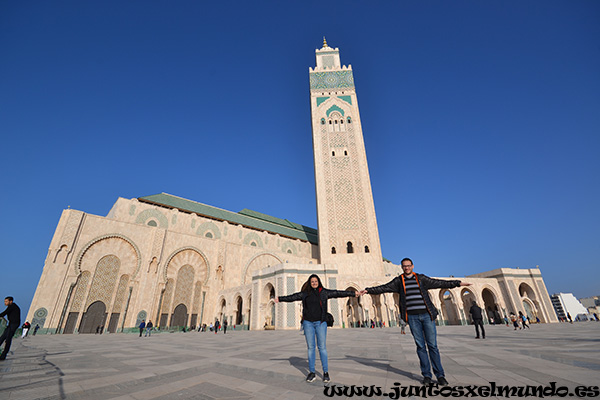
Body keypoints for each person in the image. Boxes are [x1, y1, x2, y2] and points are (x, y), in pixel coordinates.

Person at [360, 258, 471, 386]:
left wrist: (458, 283)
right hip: (412, 318)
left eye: (408, 266)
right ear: (402, 267)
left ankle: (440, 375)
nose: (406, 268)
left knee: (433, 346)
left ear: (412, 266)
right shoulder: (399, 281)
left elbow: (438, 283)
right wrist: (368, 290)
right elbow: (384, 288)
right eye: (404, 266)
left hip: (426, 315)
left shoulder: (421, 278)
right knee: (421, 347)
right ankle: (427, 376)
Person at [276, 274, 357, 383]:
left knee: (322, 347)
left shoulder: (324, 292)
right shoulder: (305, 294)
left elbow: (338, 293)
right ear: (309, 283)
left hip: (321, 323)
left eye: (316, 281)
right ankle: (312, 372)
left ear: (319, 282)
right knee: (310, 348)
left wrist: (353, 293)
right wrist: (280, 299)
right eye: (312, 281)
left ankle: (325, 372)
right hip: (308, 323)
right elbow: (293, 297)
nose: (314, 283)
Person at [0, 296, 21, 361]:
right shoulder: (11, 307)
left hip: (14, 324)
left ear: (11, 301)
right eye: (4, 301)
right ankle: (3, 355)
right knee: (2, 337)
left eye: (6, 301)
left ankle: (3, 355)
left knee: (8, 339)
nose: (5, 303)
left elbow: (4, 313)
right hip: (11, 324)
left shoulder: (13, 307)